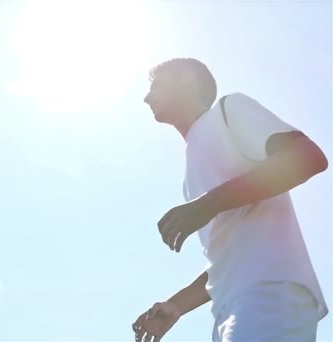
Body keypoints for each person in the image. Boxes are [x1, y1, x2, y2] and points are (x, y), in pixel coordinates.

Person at [131, 58, 329, 342]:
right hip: (231, 309)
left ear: (187, 78)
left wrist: (207, 204)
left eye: (157, 85)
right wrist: (177, 305)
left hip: (270, 293)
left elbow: (306, 157)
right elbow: (226, 259)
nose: (147, 97)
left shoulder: (228, 110)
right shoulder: (190, 175)